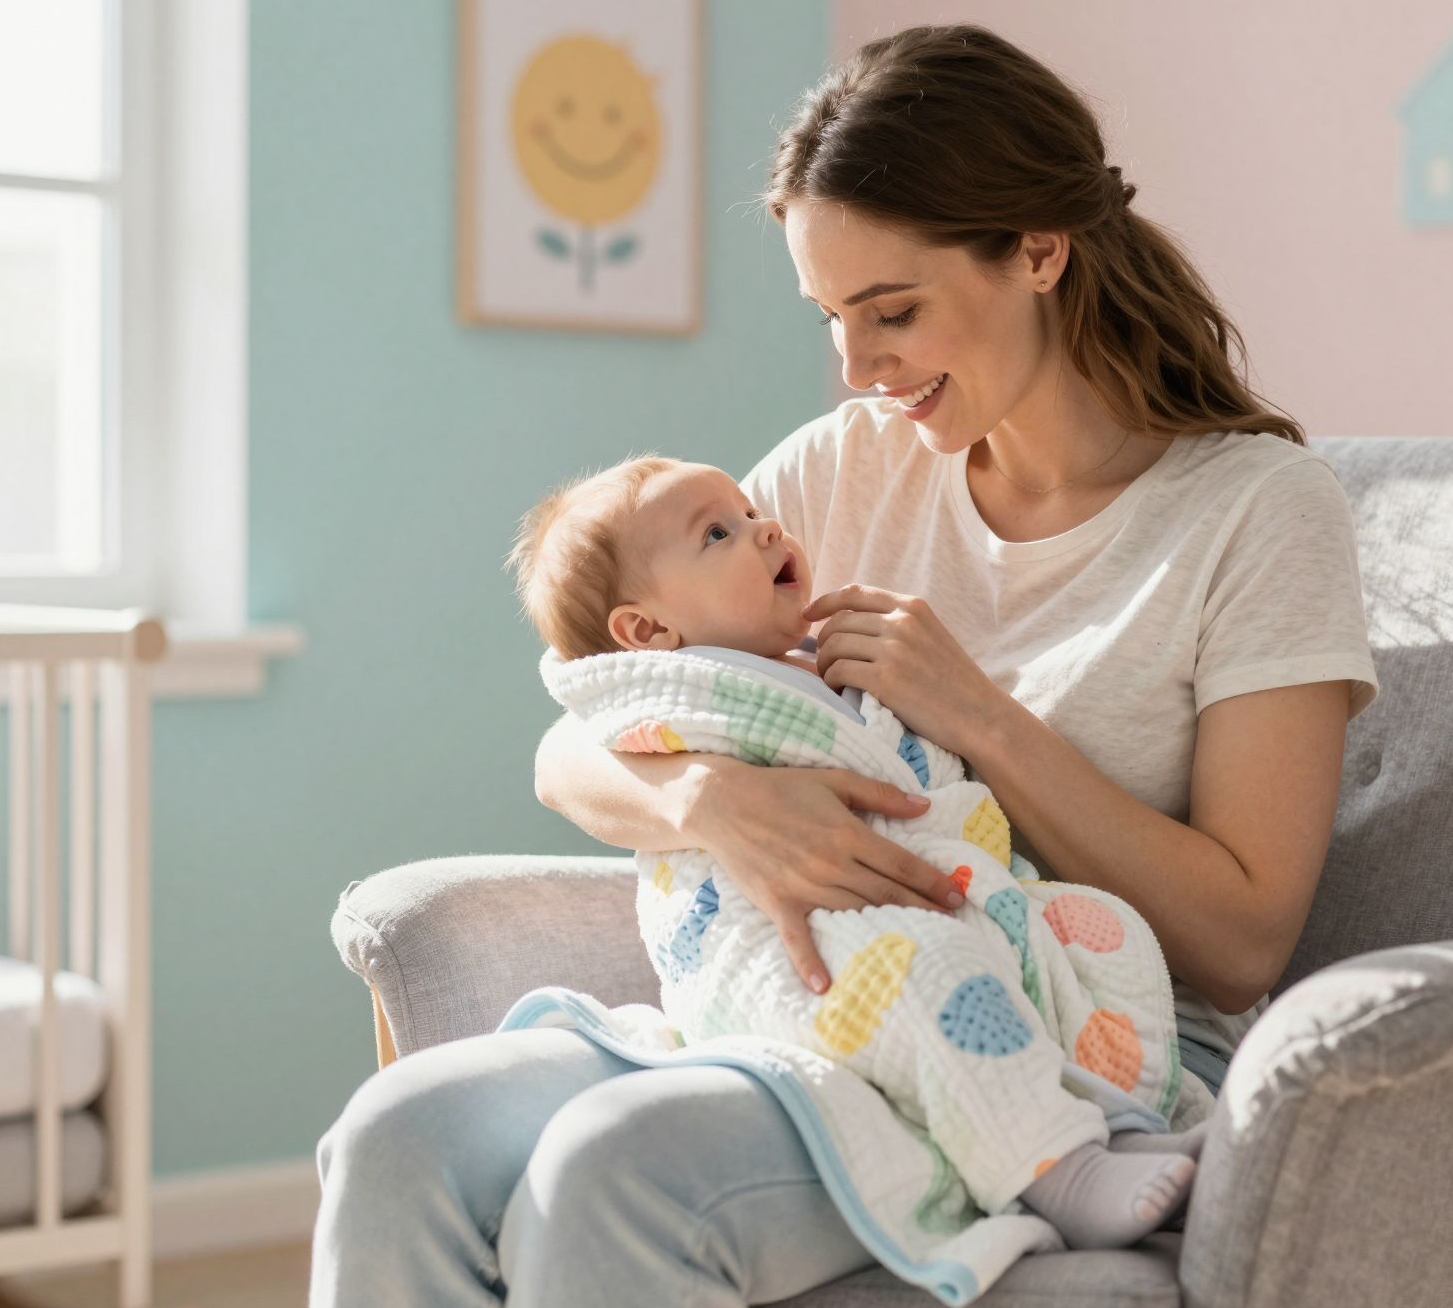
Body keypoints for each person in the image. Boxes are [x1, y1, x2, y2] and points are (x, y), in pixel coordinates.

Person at [308, 22, 1379, 1308]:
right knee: (398, 1143)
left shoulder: (1255, 517)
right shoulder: (844, 469)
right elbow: (579, 737)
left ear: (1040, 248)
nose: (860, 364)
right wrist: (707, 805)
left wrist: (980, 718)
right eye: (830, 317)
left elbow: (1245, 935)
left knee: (623, 1172)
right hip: (784, 1011)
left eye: (893, 310)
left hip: (1056, 1044)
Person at [503, 452, 1205, 1253]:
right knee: (931, 974)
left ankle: (1119, 1117)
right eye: (720, 531)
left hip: (922, 897)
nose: (766, 524)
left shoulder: (816, 667)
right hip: (780, 941)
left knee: (1082, 929)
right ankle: (1057, 1172)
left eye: (748, 508)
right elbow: (571, 740)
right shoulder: (678, 691)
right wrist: (710, 799)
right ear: (647, 631)